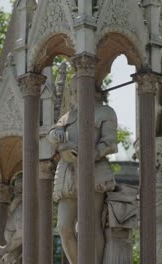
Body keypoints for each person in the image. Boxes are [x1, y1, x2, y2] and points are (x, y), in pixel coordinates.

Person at [47, 82, 118, 264]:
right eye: (75, 89)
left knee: (90, 224)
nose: (76, 92)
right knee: (64, 227)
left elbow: (110, 141)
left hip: (93, 170)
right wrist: (57, 136)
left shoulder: (105, 112)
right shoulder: (68, 116)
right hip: (68, 173)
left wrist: (94, 153)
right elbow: (52, 133)